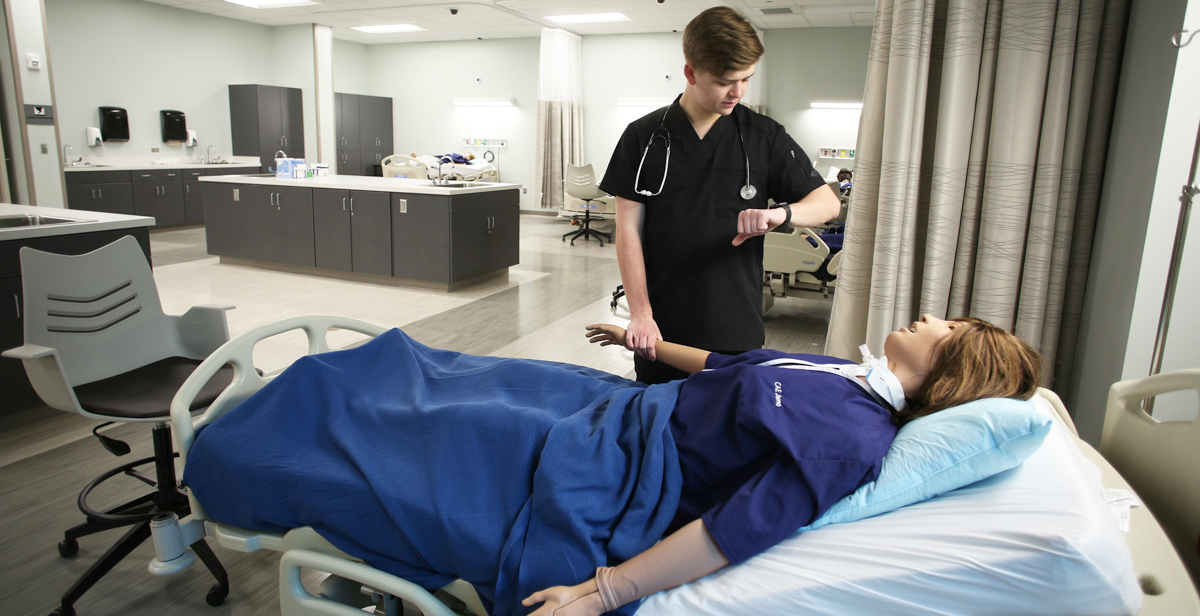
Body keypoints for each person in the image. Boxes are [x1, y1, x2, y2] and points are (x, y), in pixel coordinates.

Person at [186, 316, 1041, 616]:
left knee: (423, 422)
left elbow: (734, 530)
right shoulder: (843, 374)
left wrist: (601, 592)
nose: (929, 315)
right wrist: (650, 343)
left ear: (951, 372)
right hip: (619, 409)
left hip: (622, 466)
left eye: (944, 328)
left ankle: (232, 451)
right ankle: (300, 397)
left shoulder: (852, 438)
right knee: (433, 370)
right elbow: (738, 370)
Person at [599, 7, 843, 385]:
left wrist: (779, 215)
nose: (738, 92)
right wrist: (641, 313)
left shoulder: (763, 136)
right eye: (726, 81)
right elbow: (628, 230)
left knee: (726, 429)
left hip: (734, 324)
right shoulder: (643, 137)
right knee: (656, 424)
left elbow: (828, 203)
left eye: (746, 79)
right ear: (691, 72)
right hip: (661, 323)